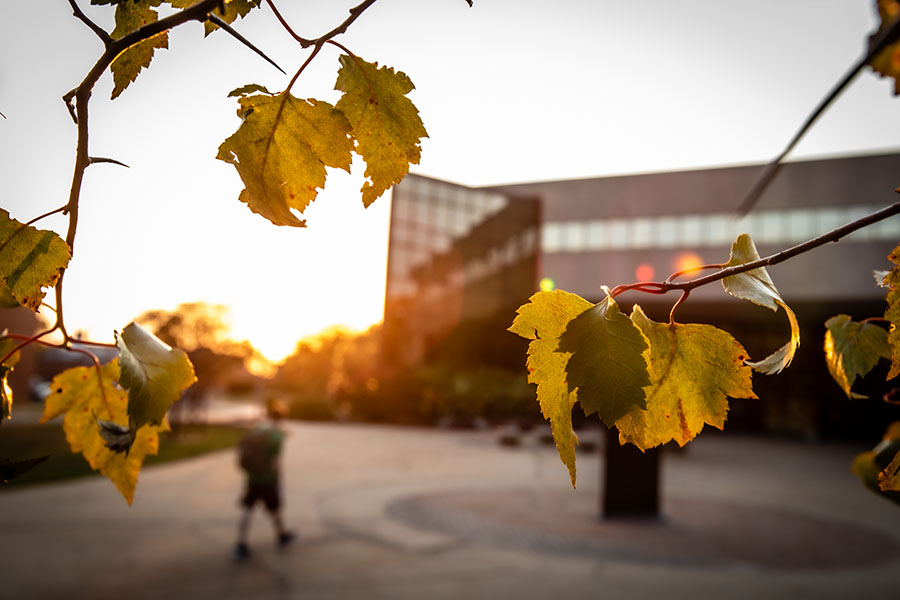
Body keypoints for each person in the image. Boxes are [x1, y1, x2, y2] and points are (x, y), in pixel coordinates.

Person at [233, 399, 295, 561]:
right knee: (275, 508)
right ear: (281, 419)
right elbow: (276, 461)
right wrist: (279, 479)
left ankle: (241, 543)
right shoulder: (276, 436)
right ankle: (281, 535)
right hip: (268, 479)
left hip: (253, 478)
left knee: (248, 510)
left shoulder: (258, 429)